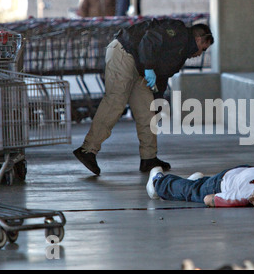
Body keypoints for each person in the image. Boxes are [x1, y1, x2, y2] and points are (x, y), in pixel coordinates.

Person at [73, 18, 214, 175]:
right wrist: (148, 68)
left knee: (148, 112)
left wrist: (157, 101)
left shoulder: (180, 55)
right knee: (115, 102)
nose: (201, 53)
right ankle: (87, 150)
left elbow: (162, 77)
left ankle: (149, 158)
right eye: (203, 48)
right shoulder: (179, 33)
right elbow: (149, 40)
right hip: (125, 53)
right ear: (199, 39)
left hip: (140, 67)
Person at [146, 165, 254, 207]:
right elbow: (208, 199)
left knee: (198, 185)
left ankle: (198, 180)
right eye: (253, 197)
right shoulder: (243, 194)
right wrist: (245, 202)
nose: (251, 199)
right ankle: (158, 182)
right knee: (193, 193)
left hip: (245, 170)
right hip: (221, 183)